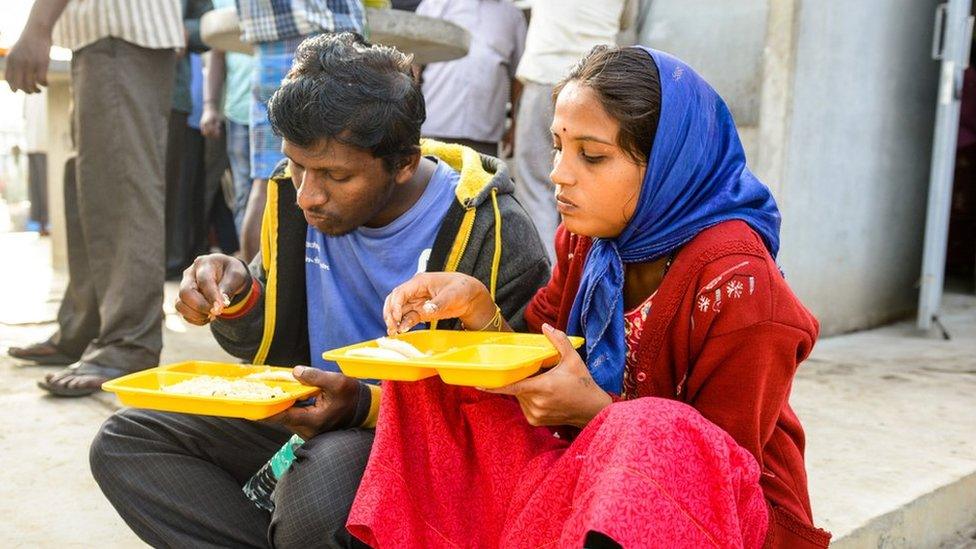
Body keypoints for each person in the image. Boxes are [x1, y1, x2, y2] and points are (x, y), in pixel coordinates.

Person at [352, 46, 832, 548]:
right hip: (587, 464)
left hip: (727, 515)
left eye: (593, 155)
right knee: (431, 378)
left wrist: (598, 412)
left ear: (669, 163)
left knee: (653, 427)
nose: (560, 172)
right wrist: (479, 310)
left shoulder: (738, 282)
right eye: (558, 146)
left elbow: (716, 462)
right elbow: (540, 359)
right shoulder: (589, 240)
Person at [89, 33, 551, 548]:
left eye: (335, 174)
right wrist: (238, 297)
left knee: (319, 486)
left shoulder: (491, 229)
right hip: (304, 411)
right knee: (126, 439)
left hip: (414, 442)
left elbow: (507, 414)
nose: (308, 194)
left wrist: (363, 405)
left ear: (402, 164)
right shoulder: (293, 198)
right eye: (297, 164)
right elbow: (265, 347)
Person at [4, 0, 182, 396]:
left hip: (122, 31)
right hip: (105, 36)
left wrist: (38, 25)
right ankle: (86, 325)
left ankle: (128, 343)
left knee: (121, 185)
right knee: (93, 184)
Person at [234, 0, 365, 262]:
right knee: (324, 169)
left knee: (265, 180)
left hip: (270, 46)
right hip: (318, 41)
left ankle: (256, 289)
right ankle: (261, 288)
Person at [513, 0, 636, 262]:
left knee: (537, 185)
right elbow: (626, 22)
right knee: (590, 187)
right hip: (599, 84)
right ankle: (579, 272)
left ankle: (544, 273)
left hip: (545, 75)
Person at [415, 0, 526, 158]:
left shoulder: (512, 16)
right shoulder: (432, 5)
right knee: (431, 180)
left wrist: (516, 125)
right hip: (434, 126)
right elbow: (414, 65)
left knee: (484, 182)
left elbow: (519, 76)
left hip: (485, 134)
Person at [200, 0, 257, 246]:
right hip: (240, 113)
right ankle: (252, 268)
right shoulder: (224, 3)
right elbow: (216, 54)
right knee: (243, 192)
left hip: (282, 109)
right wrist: (210, 106)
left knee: (284, 189)